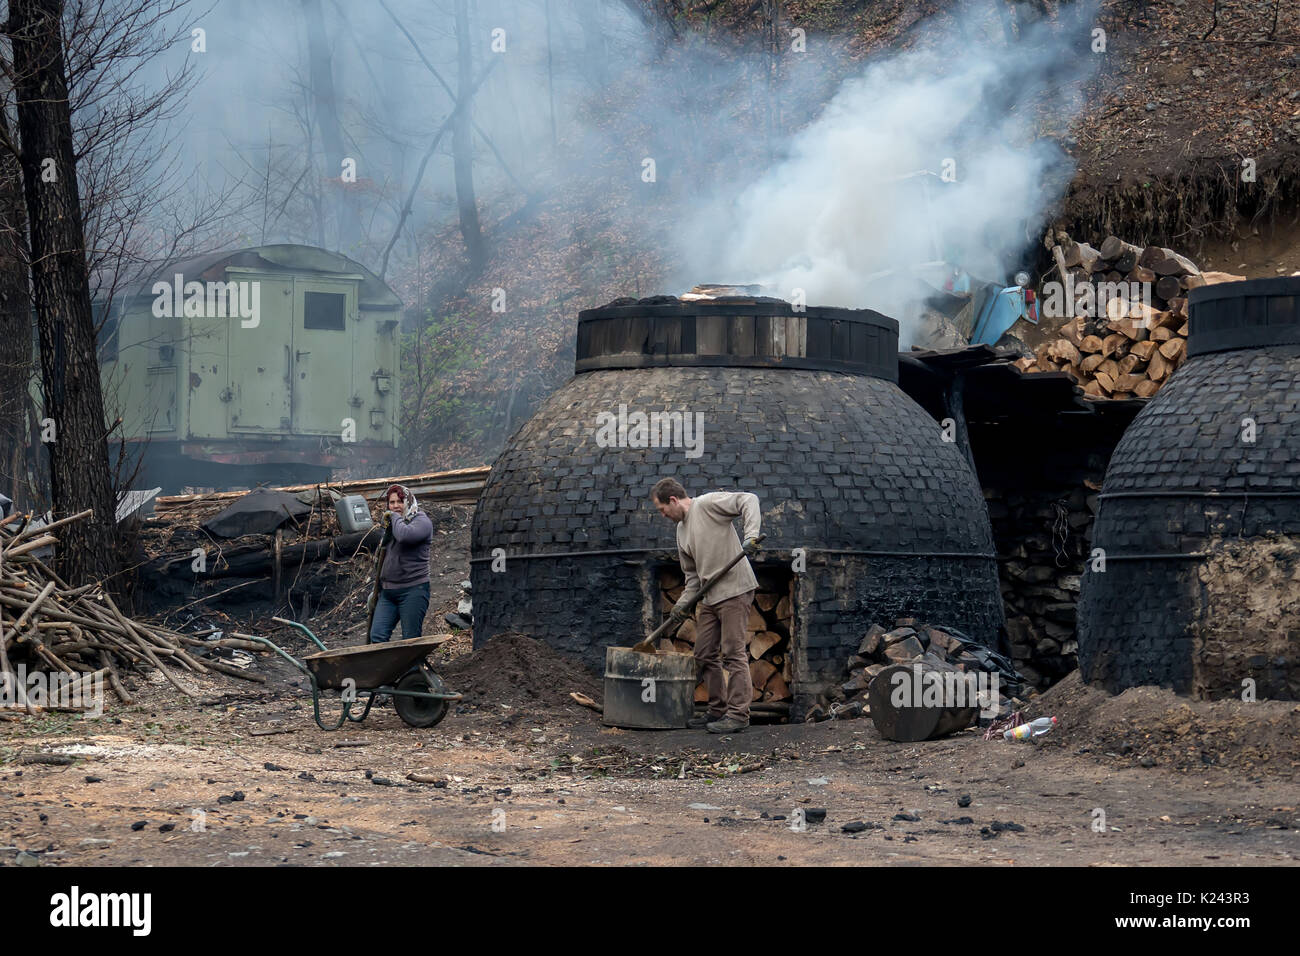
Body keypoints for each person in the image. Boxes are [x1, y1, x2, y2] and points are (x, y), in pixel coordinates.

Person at [650, 478, 762, 734]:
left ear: (673, 500)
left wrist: (752, 535)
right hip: (710, 597)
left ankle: (738, 715)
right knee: (703, 653)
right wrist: (681, 604)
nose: (663, 515)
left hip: (735, 590)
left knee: (734, 653)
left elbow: (749, 499)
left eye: (662, 509)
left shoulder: (709, 504)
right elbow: (692, 577)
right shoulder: (681, 532)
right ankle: (717, 710)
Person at [369, 484, 433, 643]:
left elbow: (405, 536)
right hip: (388, 593)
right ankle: (388, 668)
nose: (395, 506)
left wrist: (394, 516)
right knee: (377, 636)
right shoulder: (391, 527)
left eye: (400, 501)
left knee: (410, 640)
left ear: (409, 502)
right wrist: (375, 591)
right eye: (391, 503)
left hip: (413, 591)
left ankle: (412, 668)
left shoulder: (422, 521)